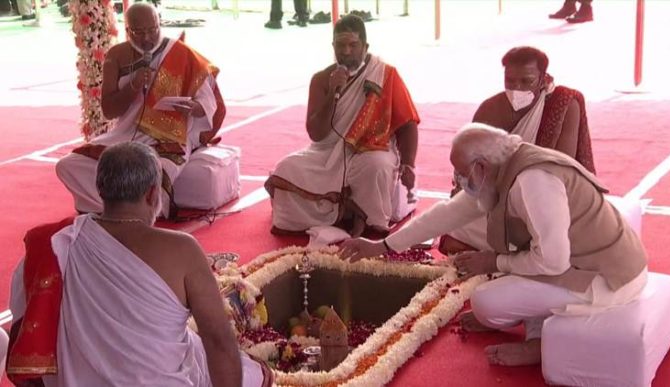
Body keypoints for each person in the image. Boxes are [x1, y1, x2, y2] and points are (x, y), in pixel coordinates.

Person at [341, 123, 648, 367]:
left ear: (482, 166)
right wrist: (382, 245)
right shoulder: (503, 167)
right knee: (501, 281)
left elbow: (553, 262)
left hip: (607, 278)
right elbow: (446, 214)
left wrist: (493, 262)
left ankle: (542, 346)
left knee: (487, 302)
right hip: (580, 263)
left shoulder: (534, 179)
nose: (459, 180)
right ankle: (536, 330)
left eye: (462, 172)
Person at [6, 142, 272, 386]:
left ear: (100, 189)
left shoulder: (59, 243)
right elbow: (219, 339)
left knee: (195, 347)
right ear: (152, 193)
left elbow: (27, 322)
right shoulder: (182, 249)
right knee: (245, 370)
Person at [56, 2, 226, 219]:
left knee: (158, 174)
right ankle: (109, 212)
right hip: (124, 135)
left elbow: (209, 103)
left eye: (152, 30)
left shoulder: (181, 53)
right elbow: (109, 111)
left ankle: (137, 217)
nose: (147, 38)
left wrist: (194, 108)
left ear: (159, 24)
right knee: (68, 166)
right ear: (127, 30)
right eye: (139, 32)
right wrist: (134, 85)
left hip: (170, 136)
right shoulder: (116, 56)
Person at [264, 15, 420, 237]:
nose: (346, 51)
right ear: (333, 46)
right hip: (327, 152)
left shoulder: (385, 74)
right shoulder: (321, 79)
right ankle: (344, 212)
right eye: (340, 45)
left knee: (377, 166)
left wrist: (409, 164)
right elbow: (316, 134)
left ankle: (366, 220)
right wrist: (332, 93)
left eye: (353, 45)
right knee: (286, 168)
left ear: (365, 47)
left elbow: (407, 123)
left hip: (372, 148)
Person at [439, 46, 595, 255]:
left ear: (542, 79)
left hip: (544, 196)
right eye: (510, 81)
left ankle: (514, 254)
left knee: (544, 229)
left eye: (526, 81)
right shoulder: (491, 108)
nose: (517, 89)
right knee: (455, 221)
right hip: (501, 200)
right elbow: (471, 166)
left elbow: (561, 165)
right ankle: (514, 253)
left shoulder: (565, 104)